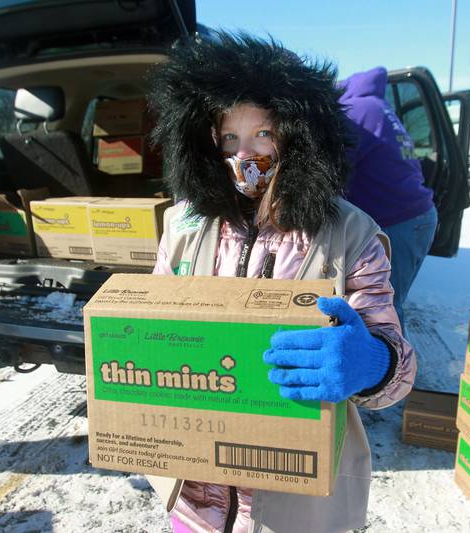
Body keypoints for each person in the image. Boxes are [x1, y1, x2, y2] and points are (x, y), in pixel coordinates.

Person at [144, 34, 417, 533]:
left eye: (264, 135)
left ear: (297, 136)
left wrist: (373, 363)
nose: (244, 155)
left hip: (293, 503)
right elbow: (155, 320)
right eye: (229, 138)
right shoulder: (183, 224)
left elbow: (398, 373)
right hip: (195, 493)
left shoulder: (350, 232)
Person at [338, 67, 439, 330]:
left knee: (383, 307)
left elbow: (335, 172)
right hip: (418, 216)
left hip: (399, 223)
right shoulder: (375, 106)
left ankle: (396, 368)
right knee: (391, 300)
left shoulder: (353, 113)